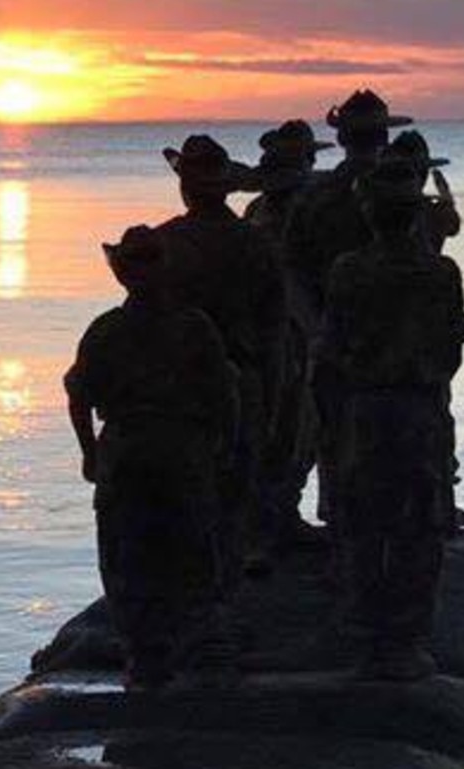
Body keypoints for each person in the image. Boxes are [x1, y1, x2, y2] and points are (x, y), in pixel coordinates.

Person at [313, 160, 464, 680]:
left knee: (364, 521)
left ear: (368, 212)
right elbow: (457, 338)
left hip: (365, 408)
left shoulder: (347, 270)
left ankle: (369, 635)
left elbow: (331, 345)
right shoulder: (440, 271)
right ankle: (405, 638)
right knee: (418, 524)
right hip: (418, 407)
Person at [65, 225, 240, 691]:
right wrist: (224, 447)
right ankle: (197, 650)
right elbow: (225, 397)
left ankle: (148, 658)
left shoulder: (107, 330)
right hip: (178, 451)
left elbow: (79, 398)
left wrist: (90, 453)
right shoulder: (194, 327)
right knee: (190, 550)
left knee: (129, 557)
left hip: (130, 452)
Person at [158, 135, 289, 574]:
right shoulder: (257, 244)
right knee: (236, 496)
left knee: (182, 504)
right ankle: (227, 599)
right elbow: (274, 332)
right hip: (242, 381)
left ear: (184, 188)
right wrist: (273, 398)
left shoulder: (163, 245)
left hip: (181, 391)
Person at [285, 89, 413, 532]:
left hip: (334, 341)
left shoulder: (313, 197)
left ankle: (343, 534)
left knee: (336, 440)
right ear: (383, 135)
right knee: (403, 450)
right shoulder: (402, 195)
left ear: (340, 139)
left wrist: (316, 331)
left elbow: (292, 274)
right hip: (399, 345)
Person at [245, 120, 335, 550]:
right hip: (283, 329)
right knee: (289, 426)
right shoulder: (283, 207)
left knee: (296, 428)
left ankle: (277, 513)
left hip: (291, 327)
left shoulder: (298, 203)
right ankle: (274, 517)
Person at [385, 130, 464, 531]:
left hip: (384, 342)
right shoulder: (428, 215)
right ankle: (439, 508)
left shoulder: (377, 211)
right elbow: (451, 224)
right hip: (420, 340)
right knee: (434, 424)